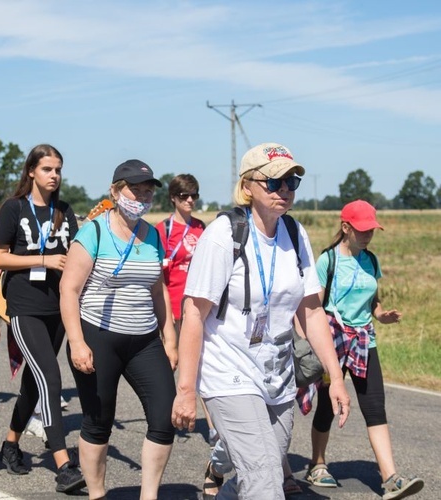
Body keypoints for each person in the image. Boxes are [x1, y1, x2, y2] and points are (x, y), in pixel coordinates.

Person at [171, 143, 351, 499]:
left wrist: (335, 378)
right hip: (229, 372)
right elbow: (193, 313)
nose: (284, 189)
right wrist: (186, 390)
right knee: (267, 476)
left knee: (261, 467)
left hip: (277, 375)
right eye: (274, 182)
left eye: (291, 181)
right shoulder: (224, 235)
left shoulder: (295, 234)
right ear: (247, 186)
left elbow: (312, 311)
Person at [60, 159, 178, 500]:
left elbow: (158, 290)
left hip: (144, 340)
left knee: (163, 415)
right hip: (98, 337)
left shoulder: (152, 234)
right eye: (134, 189)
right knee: (99, 421)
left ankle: (149, 495)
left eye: (147, 191)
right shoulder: (94, 232)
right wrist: (77, 342)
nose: (141, 196)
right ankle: (97, 494)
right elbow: (69, 291)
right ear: (115, 191)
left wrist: (169, 337)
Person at [304, 200, 423, 499]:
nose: (368, 234)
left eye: (372, 229)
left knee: (375, 408)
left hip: (364, 342)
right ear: (345, 227)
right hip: (333, 342)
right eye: (362, 229)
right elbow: (314, 306)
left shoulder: (371, 259)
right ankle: (317, 463)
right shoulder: (327, 261)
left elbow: (373, 302)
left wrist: (382, 316)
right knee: (327, 407)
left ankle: (390, 478)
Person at [0, 144, 85, 494]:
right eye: (47, 169)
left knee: (35, 381)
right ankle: (63, 464)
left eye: (58, 169)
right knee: (51, 377)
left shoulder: (64, 210)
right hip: (25, 307)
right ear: (31, 171)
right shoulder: (13, 209)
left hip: (59, 308)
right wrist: (42, 260)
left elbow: (74, 254)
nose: (54, 175)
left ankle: (10, 444)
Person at [156, 174, 205, 329]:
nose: (190, 200)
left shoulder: (201, 227)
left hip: (197, 305)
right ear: (173, 197)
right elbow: (157, 275)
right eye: (184, 196)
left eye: (194, 195)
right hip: (173, 306)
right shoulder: (163, 229)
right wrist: (165, 310)